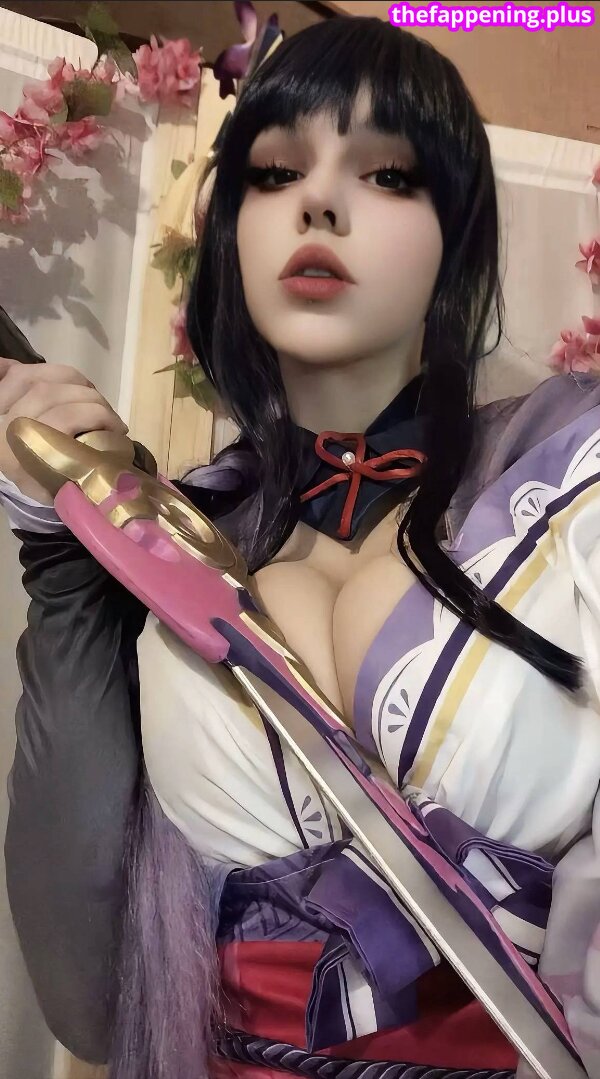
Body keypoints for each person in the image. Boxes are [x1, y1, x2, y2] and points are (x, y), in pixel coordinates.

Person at [1, 15, 599, 1079]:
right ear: (233, 231)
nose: (319, 201)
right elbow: (90, 990)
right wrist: (68, 562)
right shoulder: (177, 539)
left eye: (388, 174)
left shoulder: (571, 485)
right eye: (276, 172)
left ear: (457, 237)